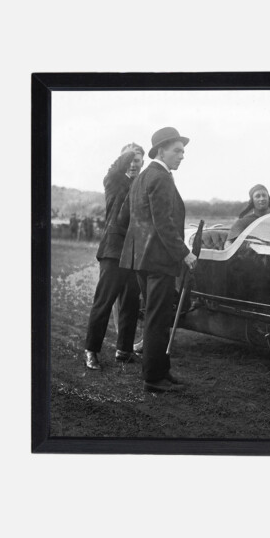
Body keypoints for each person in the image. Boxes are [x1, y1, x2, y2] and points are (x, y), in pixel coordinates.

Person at [119, 127, 197, 393]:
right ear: (161, 150)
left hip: (140, 260)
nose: (182, 156)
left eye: (184, 151)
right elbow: (164, 223)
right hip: (158, 260)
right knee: (157, 318)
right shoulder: (161, 177)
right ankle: (154, 377)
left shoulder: (141, 177)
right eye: (177, 150)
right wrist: (184, 253)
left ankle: (161, 371)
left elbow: (126, 219)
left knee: (155, 316)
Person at [83, 143, 145, 370]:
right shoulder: (113, 181)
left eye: (137, 160)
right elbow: (117, 167)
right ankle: (90, 351)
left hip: (135, 253)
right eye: (129, 160)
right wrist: (130, 153)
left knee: (130, 303)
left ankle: (124, 350)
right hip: (113, 251)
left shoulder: (144, 184)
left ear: (143, 163)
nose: (132, 164)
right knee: (104, 302)